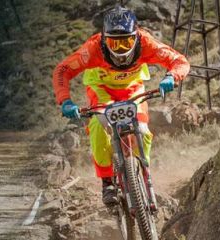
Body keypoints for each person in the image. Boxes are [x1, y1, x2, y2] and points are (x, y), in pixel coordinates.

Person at [52, 5, 190, 206]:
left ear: (136, 37)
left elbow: (179, 60)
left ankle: (142, 172)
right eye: (114, 44)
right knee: (99, 127)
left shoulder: (146, 43)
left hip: (132, 88)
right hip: (101, 89)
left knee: (142, 130)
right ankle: (107, 182)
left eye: (126, 42)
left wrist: (172, 76)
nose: (121, 49)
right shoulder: (93, 48)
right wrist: (65, 101)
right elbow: (62, 70)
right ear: (104, 40)